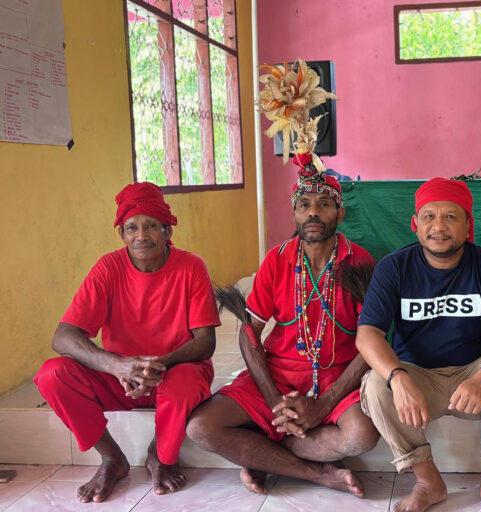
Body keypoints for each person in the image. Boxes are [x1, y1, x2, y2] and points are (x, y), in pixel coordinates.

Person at [186, 154, 380, 498]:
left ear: (341, 213)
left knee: (362, 435)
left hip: (338, 377)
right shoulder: (277, 260)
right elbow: (249, 334)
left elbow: (371, 342)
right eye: (303, 204)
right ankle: (318, 474)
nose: (313, 213)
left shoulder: (360, 261)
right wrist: (277, 403)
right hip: (277, 376)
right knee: (201, 427)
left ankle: (266, 456)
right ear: (294, 214)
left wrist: (322, 404)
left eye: (324, 204)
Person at [355, 177, 481, 512]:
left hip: (475, 377)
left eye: (451, 217)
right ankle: (427, 482)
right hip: (418, 377)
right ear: (415, 225)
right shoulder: (394, 267)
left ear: (467, 224)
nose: (439, 226)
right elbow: (368, 334)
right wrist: (399, 379)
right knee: (377, 385)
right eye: (429, 216)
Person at [35, 182, 220, 502]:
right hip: (120, 379)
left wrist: (153, 365)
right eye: (131, 227)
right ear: (121, 234)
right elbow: (63, 336)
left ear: (167, 231)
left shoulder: (191, 266)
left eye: (151, 226)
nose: (141, 235)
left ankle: (160, 456)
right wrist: (118, 365)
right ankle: (111, 458)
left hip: (172, 373)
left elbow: (205, 342)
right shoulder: (108, 268)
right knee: (52, 374)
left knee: (187, 381)